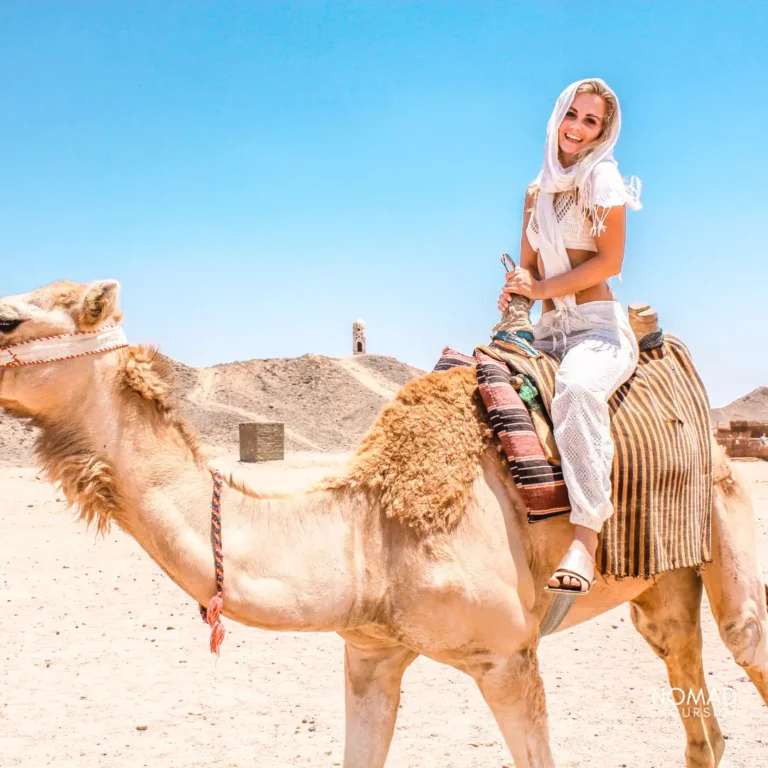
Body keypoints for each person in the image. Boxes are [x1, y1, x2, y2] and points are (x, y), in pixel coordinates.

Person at [498, 78, 642, 594]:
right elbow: (529, 268)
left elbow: (610, 261)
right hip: (548, 329)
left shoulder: (602, 180)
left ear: (603, 131)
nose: (577, 129)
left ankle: (585, 536)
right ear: (558, 115)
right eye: (573, 115)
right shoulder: (536, 192)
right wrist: (517, 293)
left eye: (591, 121)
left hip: (595, 329)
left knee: (578, 393)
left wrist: (537, 286)